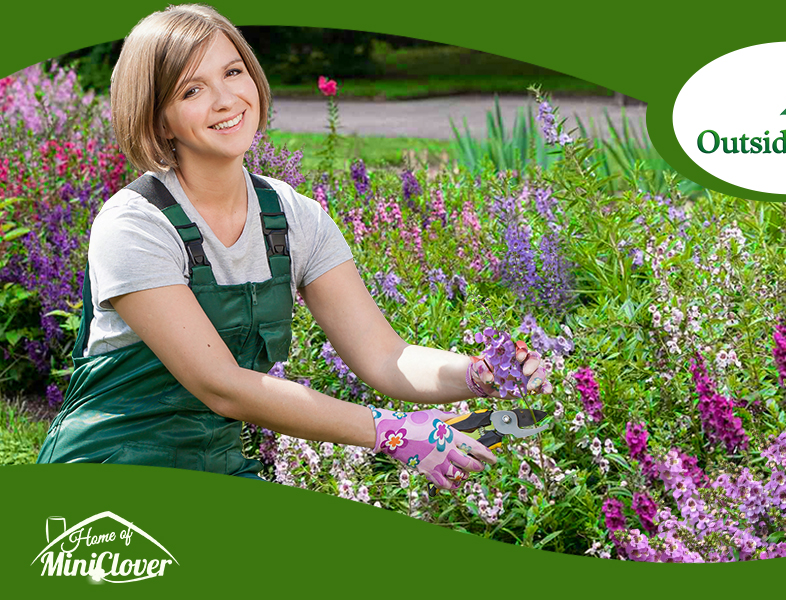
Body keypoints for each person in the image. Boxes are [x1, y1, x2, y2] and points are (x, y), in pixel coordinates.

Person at [36, 3, 552, 492]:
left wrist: (479, 374)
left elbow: (385, 356)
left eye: (233, 73)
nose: (225, 99)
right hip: (110, 470)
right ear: (158, 117)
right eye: (192, 90)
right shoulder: (134, 224)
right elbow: (221, 385)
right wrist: (392, 431)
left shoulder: (293, 217)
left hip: (218, 468)